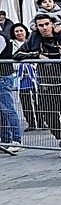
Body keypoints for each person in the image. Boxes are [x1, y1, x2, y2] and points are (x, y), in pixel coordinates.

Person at [15, 13, 61, 156]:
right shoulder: (34, 40)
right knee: (49, 116)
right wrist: (36, 55)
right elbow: (17, 55)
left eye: (46, 24)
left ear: (52, 25)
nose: (44, 28)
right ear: (36, 27)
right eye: (40, 25)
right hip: (45, 84)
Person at [0, 24, 20, 152]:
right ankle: (5, 139)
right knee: (1, 111)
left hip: (3, 76)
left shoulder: (1, 38)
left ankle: (16, 140)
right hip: (2, 75)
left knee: (8, 109)